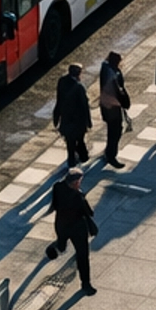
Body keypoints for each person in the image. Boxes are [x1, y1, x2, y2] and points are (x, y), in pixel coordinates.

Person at [46, 167, 97, 296]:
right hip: (77, 228)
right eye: (79, 181)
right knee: (82, 255)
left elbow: (55, 204)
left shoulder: (57, 186)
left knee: (62, 245)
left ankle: (53, 248)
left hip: (61, 225)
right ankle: (86, 283)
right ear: (75, 182)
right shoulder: (78, 196)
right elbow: (89, 212)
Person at [53, 62, 92, 165]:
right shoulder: (79, 87)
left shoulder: (62, 81)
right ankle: (84, 157)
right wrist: (88, 122)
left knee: (70, 143)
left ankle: (72, 161)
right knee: (79, 139)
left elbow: (59, 100)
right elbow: (84, 106)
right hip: (78, 121)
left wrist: (56, 117)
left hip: (66, 119)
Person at [97, 50, 129, 166]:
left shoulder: (105, 69)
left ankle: (108, 152)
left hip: (106, 106)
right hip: (113, 107)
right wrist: (124, 102)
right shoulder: (113, 74)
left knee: (112, 130)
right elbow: (118, 91)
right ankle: (111, 156)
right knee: (115, 131)